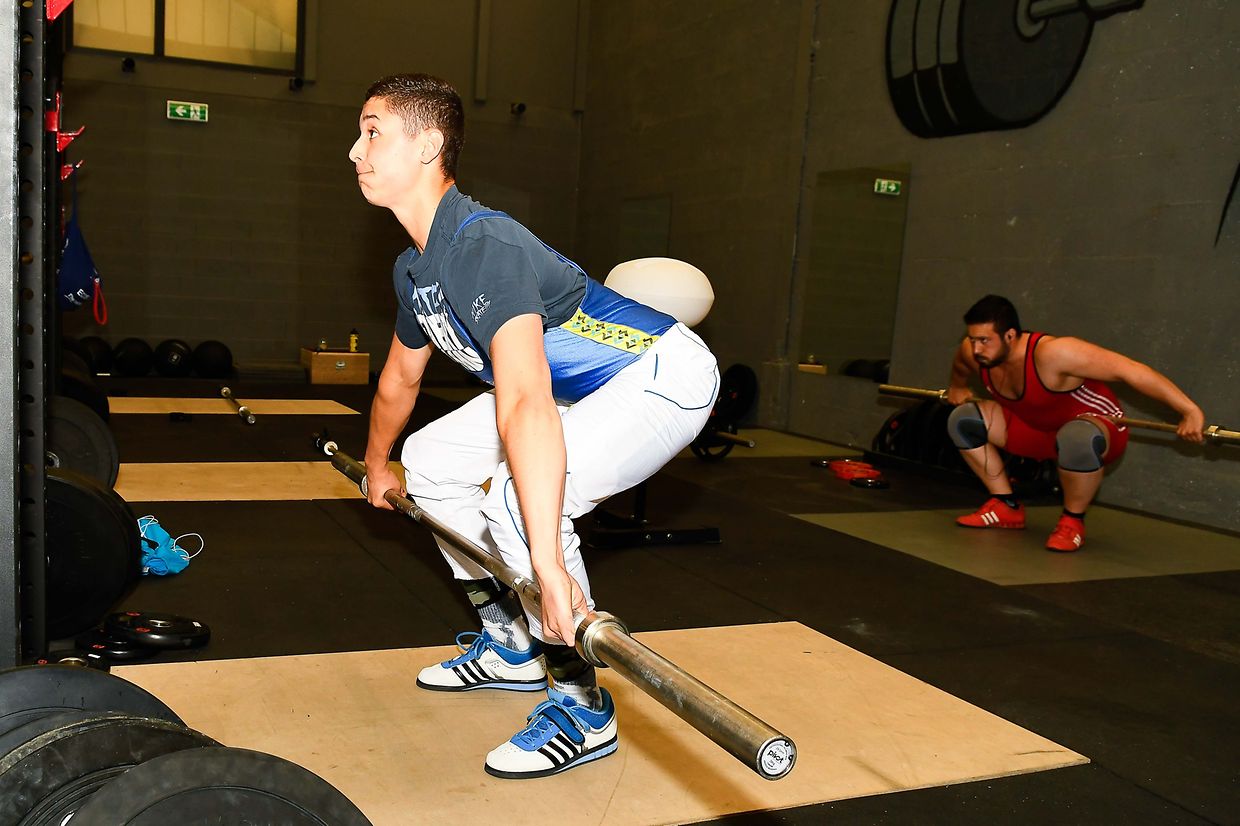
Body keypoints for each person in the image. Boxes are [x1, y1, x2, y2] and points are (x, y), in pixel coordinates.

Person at [349, 73, 719, 778]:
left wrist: (547, 568)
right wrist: (377, 463)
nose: (354, 151)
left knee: (520, 505)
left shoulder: (481, 245)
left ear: (428, 144)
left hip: (660, 375)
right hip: (575, 390)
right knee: (428, 463)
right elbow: (401, 377)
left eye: (372, 132)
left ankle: (581, 702)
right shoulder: (414, 268)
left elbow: (523, 400)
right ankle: (510, 644)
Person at [945, 294, 1204, 552]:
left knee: (1075, 438)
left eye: (985, 340)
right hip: (1036, 428)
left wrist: (1189, 410)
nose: (977, 349)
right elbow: (961, 364)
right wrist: (957, 386)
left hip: (1093, 432)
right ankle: (1006, 505)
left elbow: (1130, 370)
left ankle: (1072, 521)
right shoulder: (975, 352)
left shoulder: (1054, 353)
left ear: (1010, 335)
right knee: (963, 420)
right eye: (973, 339)